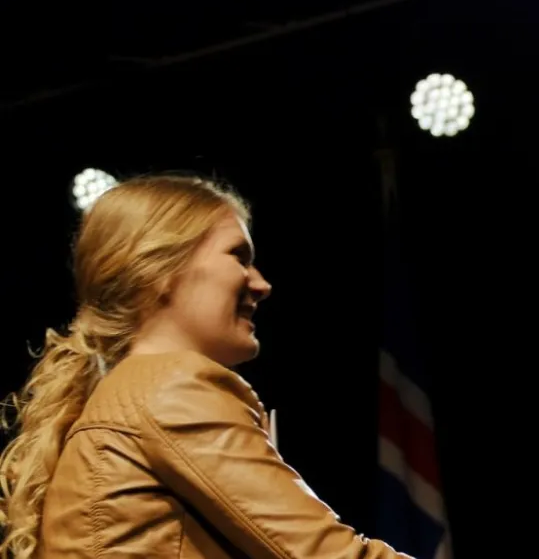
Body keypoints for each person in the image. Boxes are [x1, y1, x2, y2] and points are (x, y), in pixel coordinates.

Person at [0, 175, 409, 558]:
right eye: (238, 256)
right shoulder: (172, 387)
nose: (261, 284)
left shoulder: (128, 393)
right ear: (160, 269)